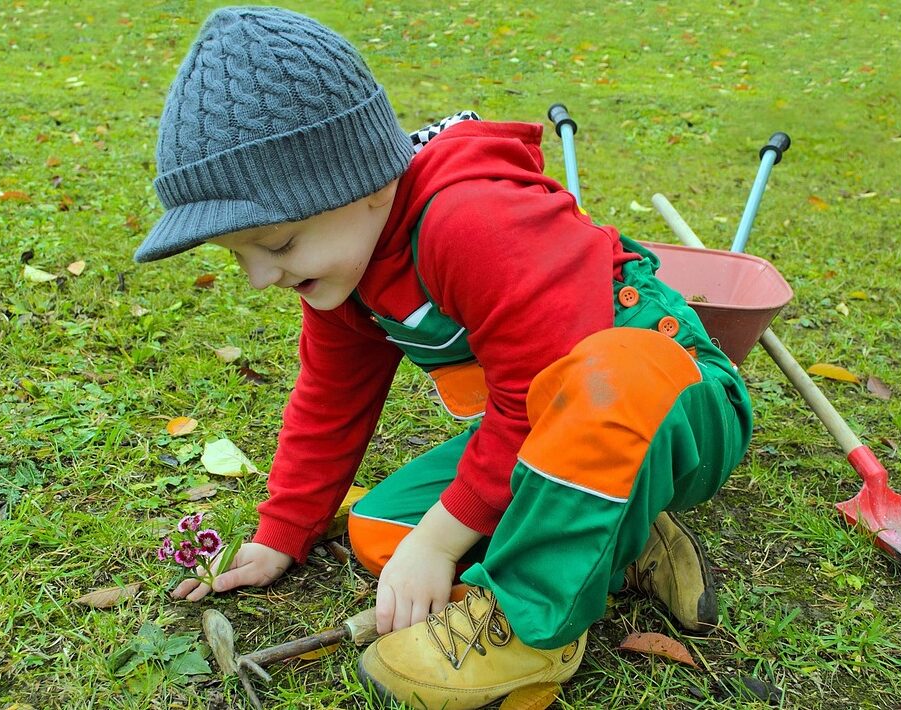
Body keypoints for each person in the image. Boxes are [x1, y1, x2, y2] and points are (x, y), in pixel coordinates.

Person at [136, 7, 753, 709]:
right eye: (240, 255)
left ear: (364, 183)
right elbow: (330, 401)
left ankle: (530, 634)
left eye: (276, 245)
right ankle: (624, 538)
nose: (259, 277)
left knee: (608, 375)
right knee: (384, 533)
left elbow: (534, 393)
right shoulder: (346, 275)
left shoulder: (471, 219)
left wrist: (439, 544)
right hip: (554, 439)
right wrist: (282, 531)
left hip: (675, 401)